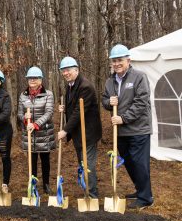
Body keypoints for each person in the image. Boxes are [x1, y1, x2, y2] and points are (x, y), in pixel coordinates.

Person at [102, 44, 153, 210]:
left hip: (139, 129)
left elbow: (141, 103)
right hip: (121, 131)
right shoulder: (110, 82)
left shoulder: (139, 77)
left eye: (120, 60)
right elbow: (104, 100)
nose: (116, 64)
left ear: (128, 60)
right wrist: (108, 102)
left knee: (139, 162)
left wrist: (123, 118)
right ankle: (140, 189)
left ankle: (146, 198)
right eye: (114, 61)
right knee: (129, 162)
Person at [57, 56, 102, 199]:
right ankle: (87, 191)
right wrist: (64, 109)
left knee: (87, 165)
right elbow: (73, 108)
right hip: (78, 133)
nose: (65, 73)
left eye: (68, 70)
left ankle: (92, 195)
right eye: (63, 71)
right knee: (82, 164)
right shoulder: (70, 85)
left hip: (88, 133)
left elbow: (78, 112)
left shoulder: (85, 86)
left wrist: (65, 130)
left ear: (76, 70)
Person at [18, 66, 55, 194]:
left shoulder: (48, 94)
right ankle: (33, 184)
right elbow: (19, 113)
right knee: (31, 161)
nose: (32, 80)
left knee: (45, 160)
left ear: (40, 80)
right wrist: (24, 118)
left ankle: (46, 184)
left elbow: (49, 112)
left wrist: (35, 124)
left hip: (43, 133)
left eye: (35, 78)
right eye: (30, 78)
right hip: (29, 134)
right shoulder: (23, 95)